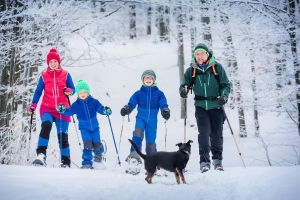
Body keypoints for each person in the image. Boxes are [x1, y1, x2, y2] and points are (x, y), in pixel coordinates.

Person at [179, 43, 230, 173]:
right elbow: (185, 84)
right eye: (197, 54)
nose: (200, 56)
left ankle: (218, 162)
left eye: (202, 54)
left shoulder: (217, 68)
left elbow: (225, 85)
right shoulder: (192, 70)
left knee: (216, 134)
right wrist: (183, 90)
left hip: (216, 105)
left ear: (207, 54)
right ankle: (204, 163)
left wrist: (223, 96)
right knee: (203, 133)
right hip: (201, 106)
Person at [28, 48, 75, 168]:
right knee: (46, 125)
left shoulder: (65, 74)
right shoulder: (43, 76)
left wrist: (69, 91)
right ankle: (41, 156)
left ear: (59, 62)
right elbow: (38, 92)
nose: (53, 64)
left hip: (62, 109)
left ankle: (65, 161)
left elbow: (73, 89)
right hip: (47, 108)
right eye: (51, 62)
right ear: (48, 63)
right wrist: (33, 104)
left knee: (62, 135)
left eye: (55, 61)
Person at [120, 69, 170, 175]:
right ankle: (133, 158)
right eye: (146, 78)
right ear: (143, 80)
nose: (148, 79)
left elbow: (163, 103)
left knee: (150, 143)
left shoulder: (159, 93)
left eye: (150, 78)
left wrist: (165, 110)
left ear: (154, 80)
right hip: (141, 117)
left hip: (152, 120)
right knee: (137, 134)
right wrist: (127, 108)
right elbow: (132, 102)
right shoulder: (138, 93)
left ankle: (154, 164)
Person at [56, 79, 112, 169]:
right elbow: (68, 112)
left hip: (95, 127)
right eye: (80, 92)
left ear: (88, 92)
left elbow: (101, 109)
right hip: (84, 128)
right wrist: (63, 110)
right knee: (88, 144)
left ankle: (99, 154)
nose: (83, 94)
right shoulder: (76, 105)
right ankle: (87, 163)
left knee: (97, 144)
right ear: (78, 94)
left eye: (85, 92)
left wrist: (106, 110)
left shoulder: (94, 102)